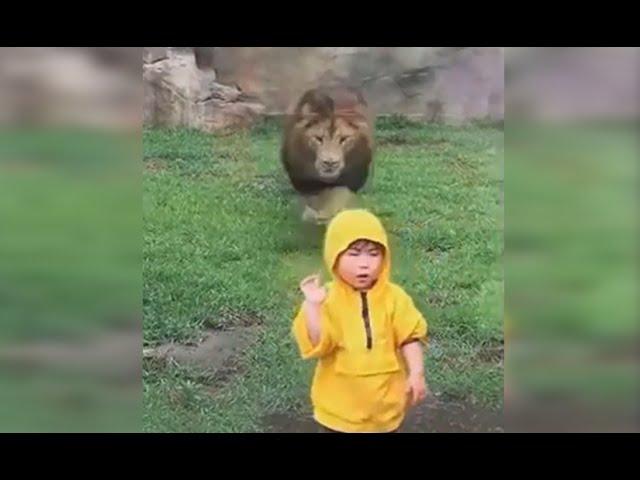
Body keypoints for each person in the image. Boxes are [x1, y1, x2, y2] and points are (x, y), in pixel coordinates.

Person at [292, 209, 428, 433]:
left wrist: (417, 373)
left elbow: (409, 336)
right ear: (334, 256)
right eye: (353, 254)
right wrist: (314, 306)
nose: (364, 264)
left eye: (373, 254)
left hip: (385, 410)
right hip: (338, 413)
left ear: (385, 256)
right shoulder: (327, 299)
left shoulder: (395, 298)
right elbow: (319, 344)